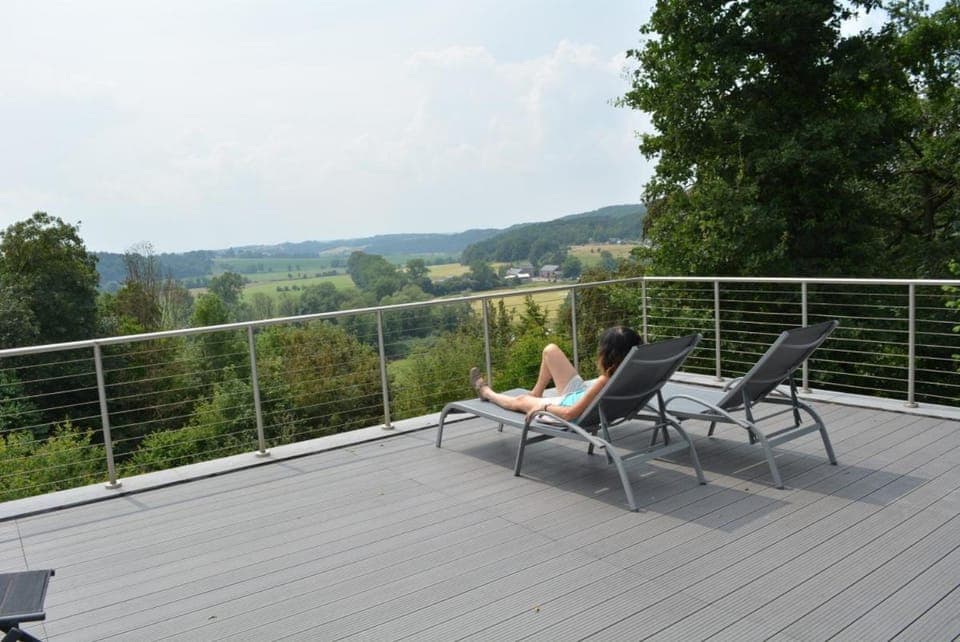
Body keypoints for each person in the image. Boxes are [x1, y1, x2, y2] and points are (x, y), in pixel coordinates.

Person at [470, 325, 641, 422]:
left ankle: (486, 392)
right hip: (581, 395)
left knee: (520, 401)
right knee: (550, 351)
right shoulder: (635, 371)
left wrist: (544, 407)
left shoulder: (605, 380)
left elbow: (569, 414)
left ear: (608, 353)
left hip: (566, 408)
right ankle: (536, 393)